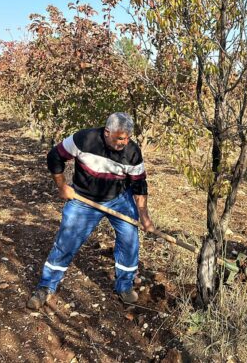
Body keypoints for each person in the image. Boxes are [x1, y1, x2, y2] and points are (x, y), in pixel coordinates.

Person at [26, 112, 154, 310]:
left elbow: (139, 184)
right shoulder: (83, 139)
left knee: (129, 241)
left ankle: (124, 286)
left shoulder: (132, 152)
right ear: (107, 132)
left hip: (119, 199)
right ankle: (46, 286)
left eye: (128, 138)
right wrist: (62, 186)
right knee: (66, 242)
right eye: (120, 138)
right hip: (83, 199)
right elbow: (55, 156)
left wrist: (144, 216)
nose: (125, 142)